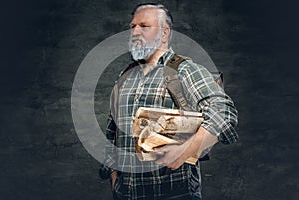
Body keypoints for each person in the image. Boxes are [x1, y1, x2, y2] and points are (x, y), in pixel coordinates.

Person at [101, 3, 238, 200]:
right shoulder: (124, 77)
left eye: (144, 26)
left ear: (164, 33)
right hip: (126, 195)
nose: (135, 32)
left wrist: (186, 150)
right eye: (132, 27)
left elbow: (224, 113)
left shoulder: (184, 70)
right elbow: (112, 130)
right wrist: (114, 178)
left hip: (174, 194)